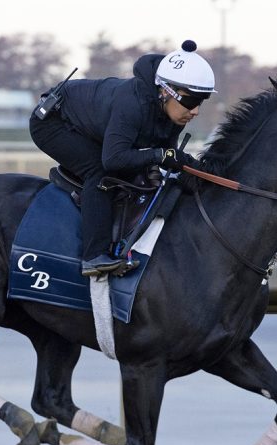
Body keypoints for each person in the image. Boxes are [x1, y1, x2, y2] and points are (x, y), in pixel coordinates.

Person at [30, 40, 216, 277]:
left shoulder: (172, 113)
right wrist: (160, 155)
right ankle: (93, 257)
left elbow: (163, 154)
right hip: (53, 122)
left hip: (92, 125)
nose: (195, 110)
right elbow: (114, 159)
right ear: (165, 91)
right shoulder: (133, 104)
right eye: (190, 101)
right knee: (99, 171)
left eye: (201, 101)